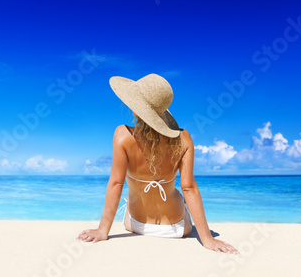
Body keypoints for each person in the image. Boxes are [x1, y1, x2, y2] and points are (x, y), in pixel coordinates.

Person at [77, 73, 238, 254]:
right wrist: (208, 239)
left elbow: (116, 183)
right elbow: (189, 188)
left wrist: (102, 231)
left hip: (135, 225)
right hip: (177, 228)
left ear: (139, 108)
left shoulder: (122, 135)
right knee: (178, 193)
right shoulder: (183, 139)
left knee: (131, 195)